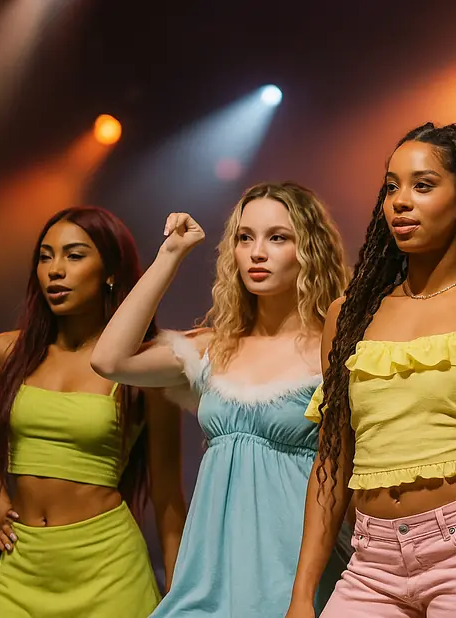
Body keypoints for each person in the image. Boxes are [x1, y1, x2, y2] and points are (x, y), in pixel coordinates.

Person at [286, 122, 456, 618]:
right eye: (392, 186)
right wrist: (303, 594)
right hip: (372, 563)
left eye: (423, 185)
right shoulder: (348, 317)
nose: (400, 201)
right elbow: (331, 461)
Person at [90, 182, 352, 616]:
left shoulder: (332, 348)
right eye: (244, 237)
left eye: (278, 237)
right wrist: (169, 256)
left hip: (296, 580)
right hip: (210, 576)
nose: (256, 252)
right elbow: (108, 358)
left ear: (311, 250)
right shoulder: (214, 347)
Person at [0, 206, 185, 618]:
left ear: (110, 272)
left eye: (74, 256)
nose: (55, 270)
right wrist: (0, 506)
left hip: (108, 570)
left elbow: (167, 497)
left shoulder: (144, 366)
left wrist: (183, 599)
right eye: (45, 256)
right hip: (23, 565)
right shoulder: (6, 352)